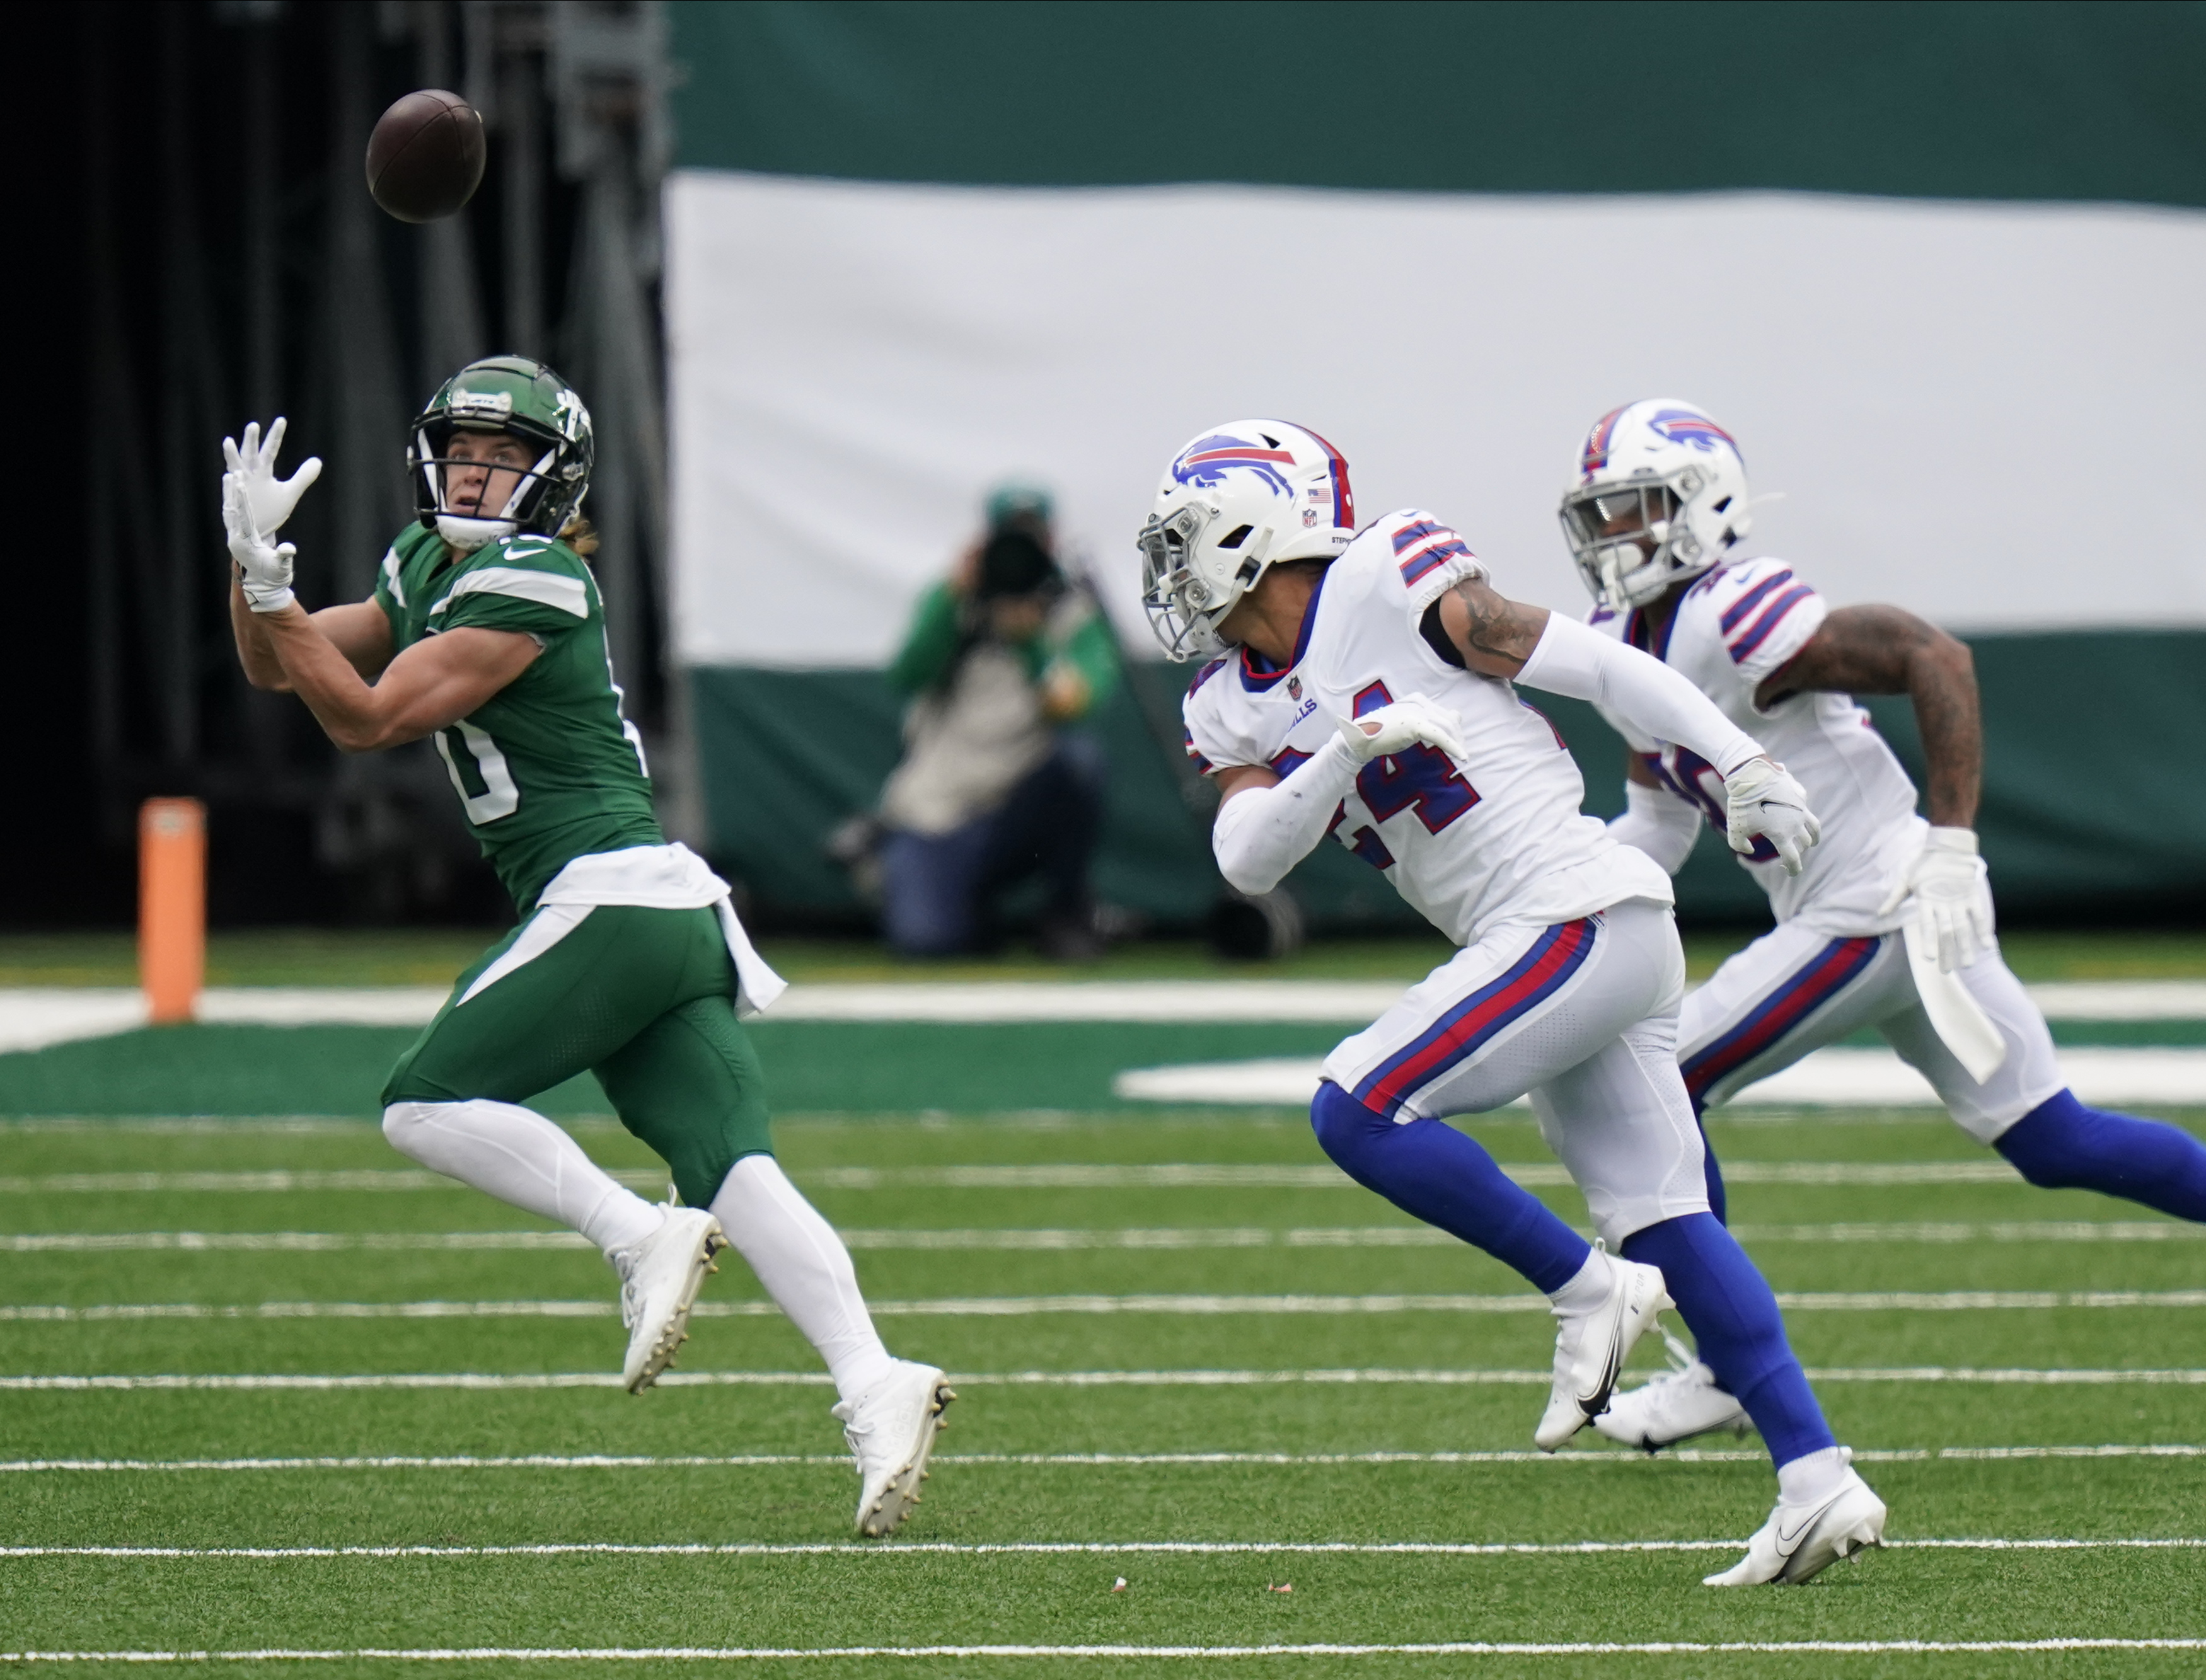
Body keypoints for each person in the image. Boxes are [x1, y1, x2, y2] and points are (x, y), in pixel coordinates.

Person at [1551, 398, 2206, 1450]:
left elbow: (1937, 657)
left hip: (1874, 897)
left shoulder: (1735, 606)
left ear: (1703, 505)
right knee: (2053, 1136)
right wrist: (1563, 886)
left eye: (1637, 509)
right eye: (1602, 516)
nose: (1615, 537)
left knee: (1667, 1078)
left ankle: (1723, 1363)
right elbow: (1659, 821)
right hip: (1863, 907)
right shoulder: (1626, 643)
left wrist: (1953, 841)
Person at [218, 357, 951, 1536]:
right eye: (463, 447)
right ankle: (875, 1378)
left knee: (423, 1104)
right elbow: (284, 663)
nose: (473, 468)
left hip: (603, 896)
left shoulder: (536, 574)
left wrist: (271, 593)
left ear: (550, 482)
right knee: (736, 1167)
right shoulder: (426, 562)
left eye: (503, 455)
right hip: (654, 909)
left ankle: (635, 1233)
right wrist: (254, 571)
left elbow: (367, 717)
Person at [1146, 418, 1885, 1587]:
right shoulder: (1225, 703)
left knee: (1358, 1108)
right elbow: (1246, 856)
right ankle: (1815, 1478)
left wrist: (1740, 761)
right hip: (1577, 933)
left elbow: (1593, 665)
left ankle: (1590, 1291)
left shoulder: (1389, 571)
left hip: (1569, 908)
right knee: (1665, 1213)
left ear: (1259, 520)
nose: (1170, 568)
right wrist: (1340, 756)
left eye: (1184, 536)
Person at [873, 487, 1121, 960]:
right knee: (928, 943)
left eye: (1031, 540)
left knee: (1081, 763)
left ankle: (1065, 911)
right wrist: (955, 598)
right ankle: (959, 907)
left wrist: (1030, 643)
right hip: (941, 809)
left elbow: (1072, 705)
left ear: (1051, 544)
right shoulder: (952, 602)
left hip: (1018, 807)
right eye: (1009, 540)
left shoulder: (1074, 617)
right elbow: (906, 675)